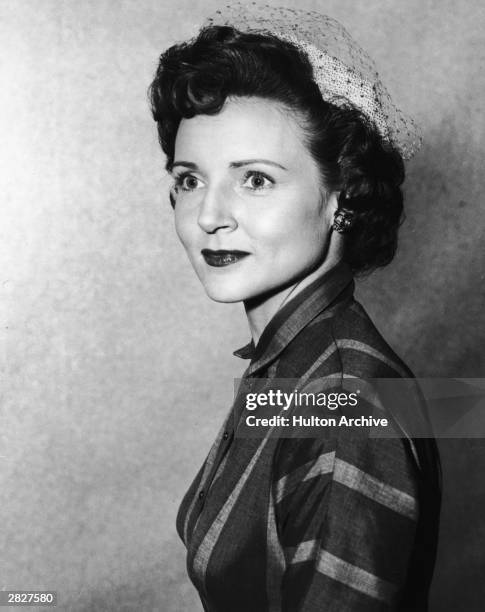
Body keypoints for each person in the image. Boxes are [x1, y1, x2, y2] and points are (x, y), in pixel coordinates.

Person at [149, 4, 441, 610]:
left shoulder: (342, 403)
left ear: (344, 195)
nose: (208, 216)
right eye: (189, 179)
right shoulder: (296, 363)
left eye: (255, 179)